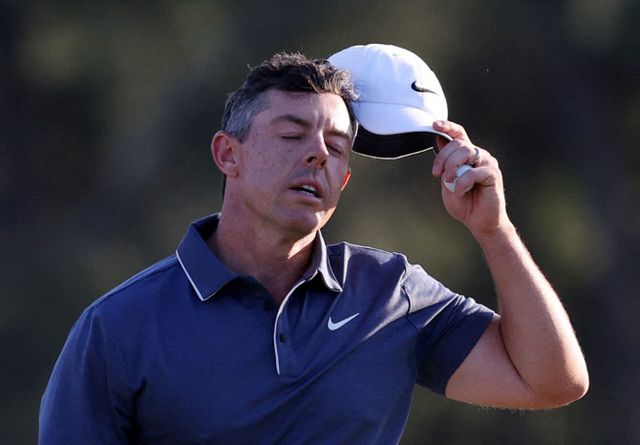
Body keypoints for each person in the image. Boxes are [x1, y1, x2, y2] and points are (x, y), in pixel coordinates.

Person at [39, 50, 589, 445]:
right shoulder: (118, 326)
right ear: (228, 154)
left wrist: (495, 231)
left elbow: (552, 381)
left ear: (344, 179)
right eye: (291, 135)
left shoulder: (393, 294)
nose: (318, 155)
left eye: (336, 146)